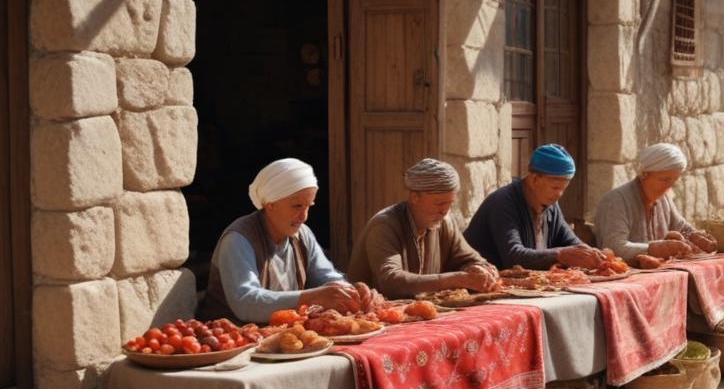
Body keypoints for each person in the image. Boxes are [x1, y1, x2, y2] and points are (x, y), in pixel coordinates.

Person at [198, 158, 367, 323]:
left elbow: (325, 276)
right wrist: (312, 297)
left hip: (281, 334)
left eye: (308, 206)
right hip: (233, 340)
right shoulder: (238, 239)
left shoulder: (302, 234)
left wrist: (351, 292)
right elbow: (246, 303)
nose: (304, 216)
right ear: (270, 204)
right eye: (297, 206)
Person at [347, 158, 499, 298]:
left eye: (449, 204)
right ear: (414, 197)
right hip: (377, 317)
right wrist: (455, 279)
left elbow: (470, 259)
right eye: (439, 203)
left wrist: (480, 269)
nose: (444, 211)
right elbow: (391, 282)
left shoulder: (445, 221)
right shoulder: (384, 226)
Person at [464, 144, 607, 271]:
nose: (559, 194)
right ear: (534, 179)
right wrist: (561, 255)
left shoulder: (550, 205)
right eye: (555, 187)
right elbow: (514, 257)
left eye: (563, 189)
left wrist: (592, 255)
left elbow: (570, 242)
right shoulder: (502, 203)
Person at [594, 143, 717, 262]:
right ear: (644, 175)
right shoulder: (616, 201)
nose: (670, 186)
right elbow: (614, 248)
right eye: (665, 180)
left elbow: (682, 228)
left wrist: (695, 236)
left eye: (674, 180)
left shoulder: (663, 198)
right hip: (623, 276)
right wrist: (655, 249)